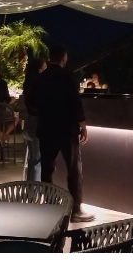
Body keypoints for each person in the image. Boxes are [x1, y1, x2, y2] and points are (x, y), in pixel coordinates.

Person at [35, 44, 96, 223]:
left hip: (46, 128)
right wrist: (83, 125)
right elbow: (75, 102)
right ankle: (76, 210)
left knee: (47, 169)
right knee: (73, 169)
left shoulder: (40, 78)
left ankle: (48, 206)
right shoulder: (67, 76)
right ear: (63, 57)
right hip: (66, 129)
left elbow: (31, 102)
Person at [22, 56, 47, 182]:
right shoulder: (41, 85)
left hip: (29, 123)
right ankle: (34, 195)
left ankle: (29, 192)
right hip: (38, 124)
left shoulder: (28, 84)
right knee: (37, 161)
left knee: (33, 160)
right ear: (40, 70)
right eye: (45, 67)